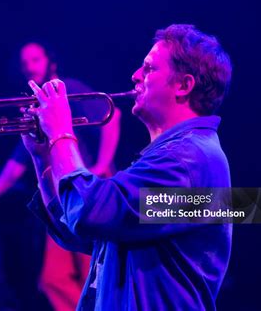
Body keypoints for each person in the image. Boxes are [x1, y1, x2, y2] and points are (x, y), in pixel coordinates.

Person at [21, 24, 233, 310]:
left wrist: (61, 132)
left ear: (184, 85)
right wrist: (43, 157)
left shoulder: (186, 160)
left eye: (149, 69)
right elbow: (80, 231)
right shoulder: (169, 156)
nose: (135, 76)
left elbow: (88, 213)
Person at [0, 41, 121, 311]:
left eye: (35, 60)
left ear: (50, 61)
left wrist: (103, 164)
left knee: (97, 275)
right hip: (61, 194)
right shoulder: (37, 106)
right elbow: (17, 163)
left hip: (92, 189)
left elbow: (112, 117)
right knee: (52, 279)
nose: (29, 67)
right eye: (24, 63)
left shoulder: (67, 88)